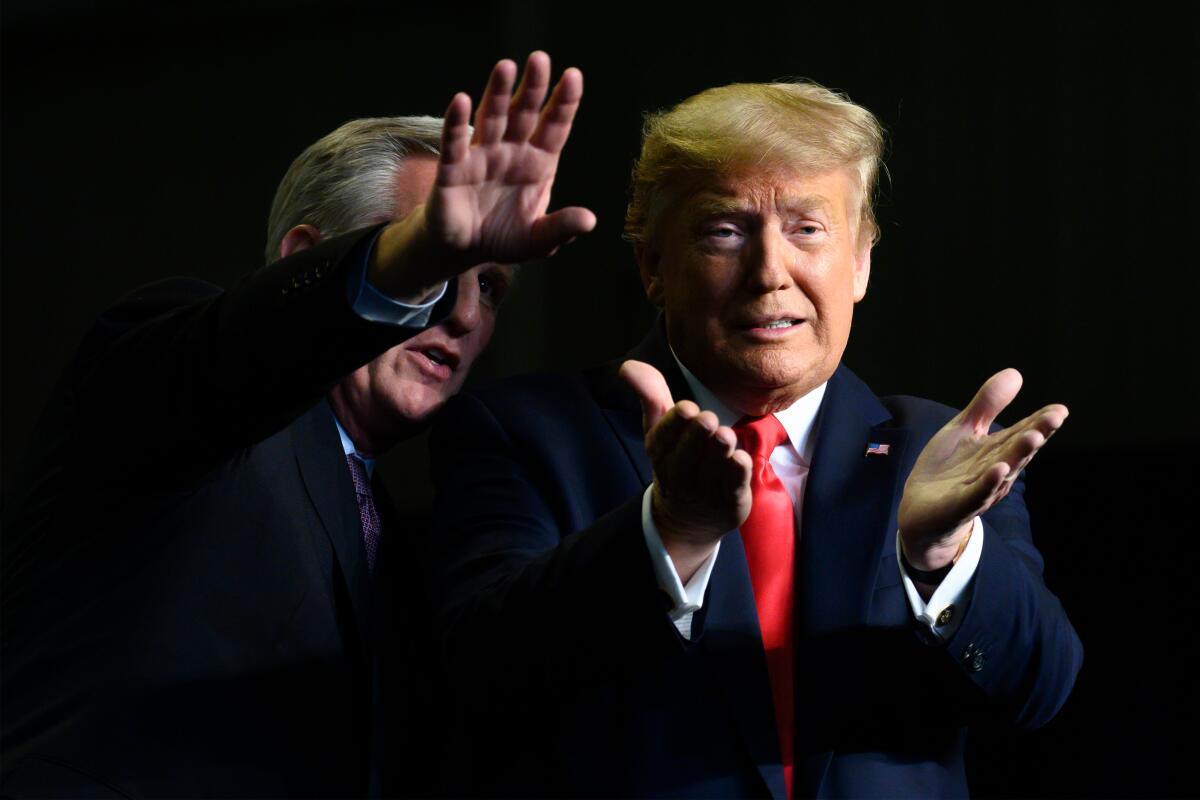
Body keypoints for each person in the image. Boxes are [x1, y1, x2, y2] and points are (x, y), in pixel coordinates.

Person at [426, 80, 1083, 798]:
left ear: (860, 261)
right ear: (652, 266)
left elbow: (1040, 692)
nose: (770, 274)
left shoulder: (942, 448)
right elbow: (472, 683)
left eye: (807, 229)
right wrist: (669, 536)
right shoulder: (527, 433)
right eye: (724, 231)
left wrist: (942, 560)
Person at [0, 52, 594, 798]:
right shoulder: (169, 389)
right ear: (306, 258)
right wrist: (409, 261)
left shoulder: (408, 559)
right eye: (439, 263)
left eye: (489, 284)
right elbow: (239, 350)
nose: (465, 314)